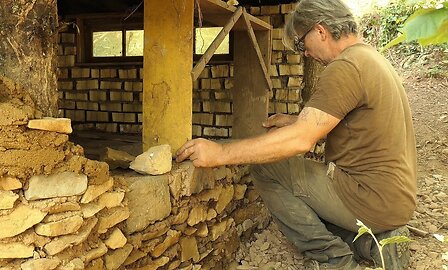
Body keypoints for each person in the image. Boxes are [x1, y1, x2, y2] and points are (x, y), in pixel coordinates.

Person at [176, 0, 417, 269]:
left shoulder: (345, 67)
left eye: (302, 44)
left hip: (370, 198)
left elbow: (302, 140)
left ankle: (333, 258)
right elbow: (354, 123)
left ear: (320, 31)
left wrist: (219, 152)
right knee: (311, 201)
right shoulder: (370, 58)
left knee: (268, 167)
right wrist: (295, 120)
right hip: (394, 198)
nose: (304, 53)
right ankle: (372, 243)